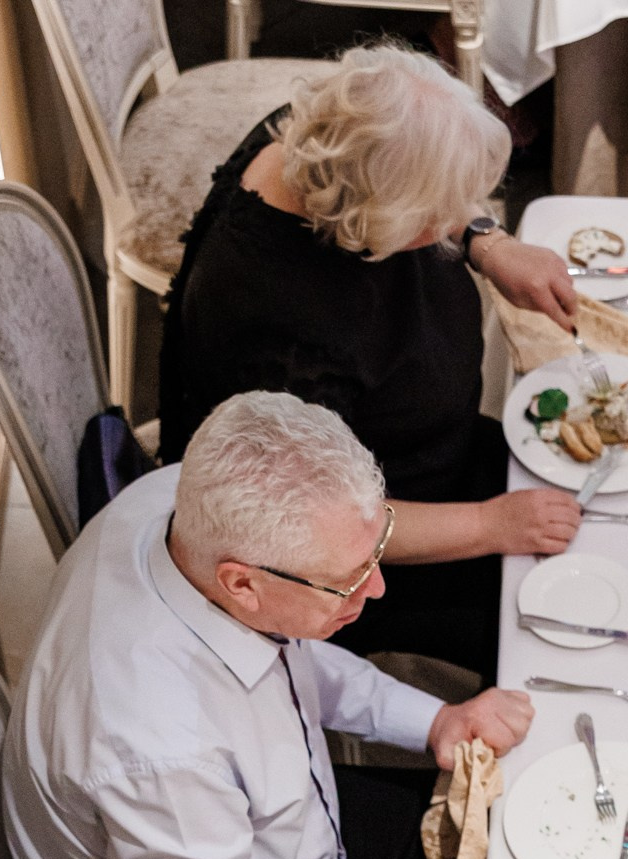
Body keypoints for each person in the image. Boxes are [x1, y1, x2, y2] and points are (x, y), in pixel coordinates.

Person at [2, 388, 545, 859]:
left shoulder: (189, 506)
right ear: (243, 585)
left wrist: (436, 720)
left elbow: (297, 650)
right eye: (347, 580)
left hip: (291, 842)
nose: (376, 589)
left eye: (374, 551)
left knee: (511, 837)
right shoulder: (155, 742)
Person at [160, 44, 582, 685]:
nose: (450, 221)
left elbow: (415, 178)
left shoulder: (325, 139)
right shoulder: (282, 334)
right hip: (365, 560)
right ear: (376, 218)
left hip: (439, 457)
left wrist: (487, 242)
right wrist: (490, 524)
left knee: (605, 499)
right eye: (438, 213)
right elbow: (319, 524)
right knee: (566, 633)